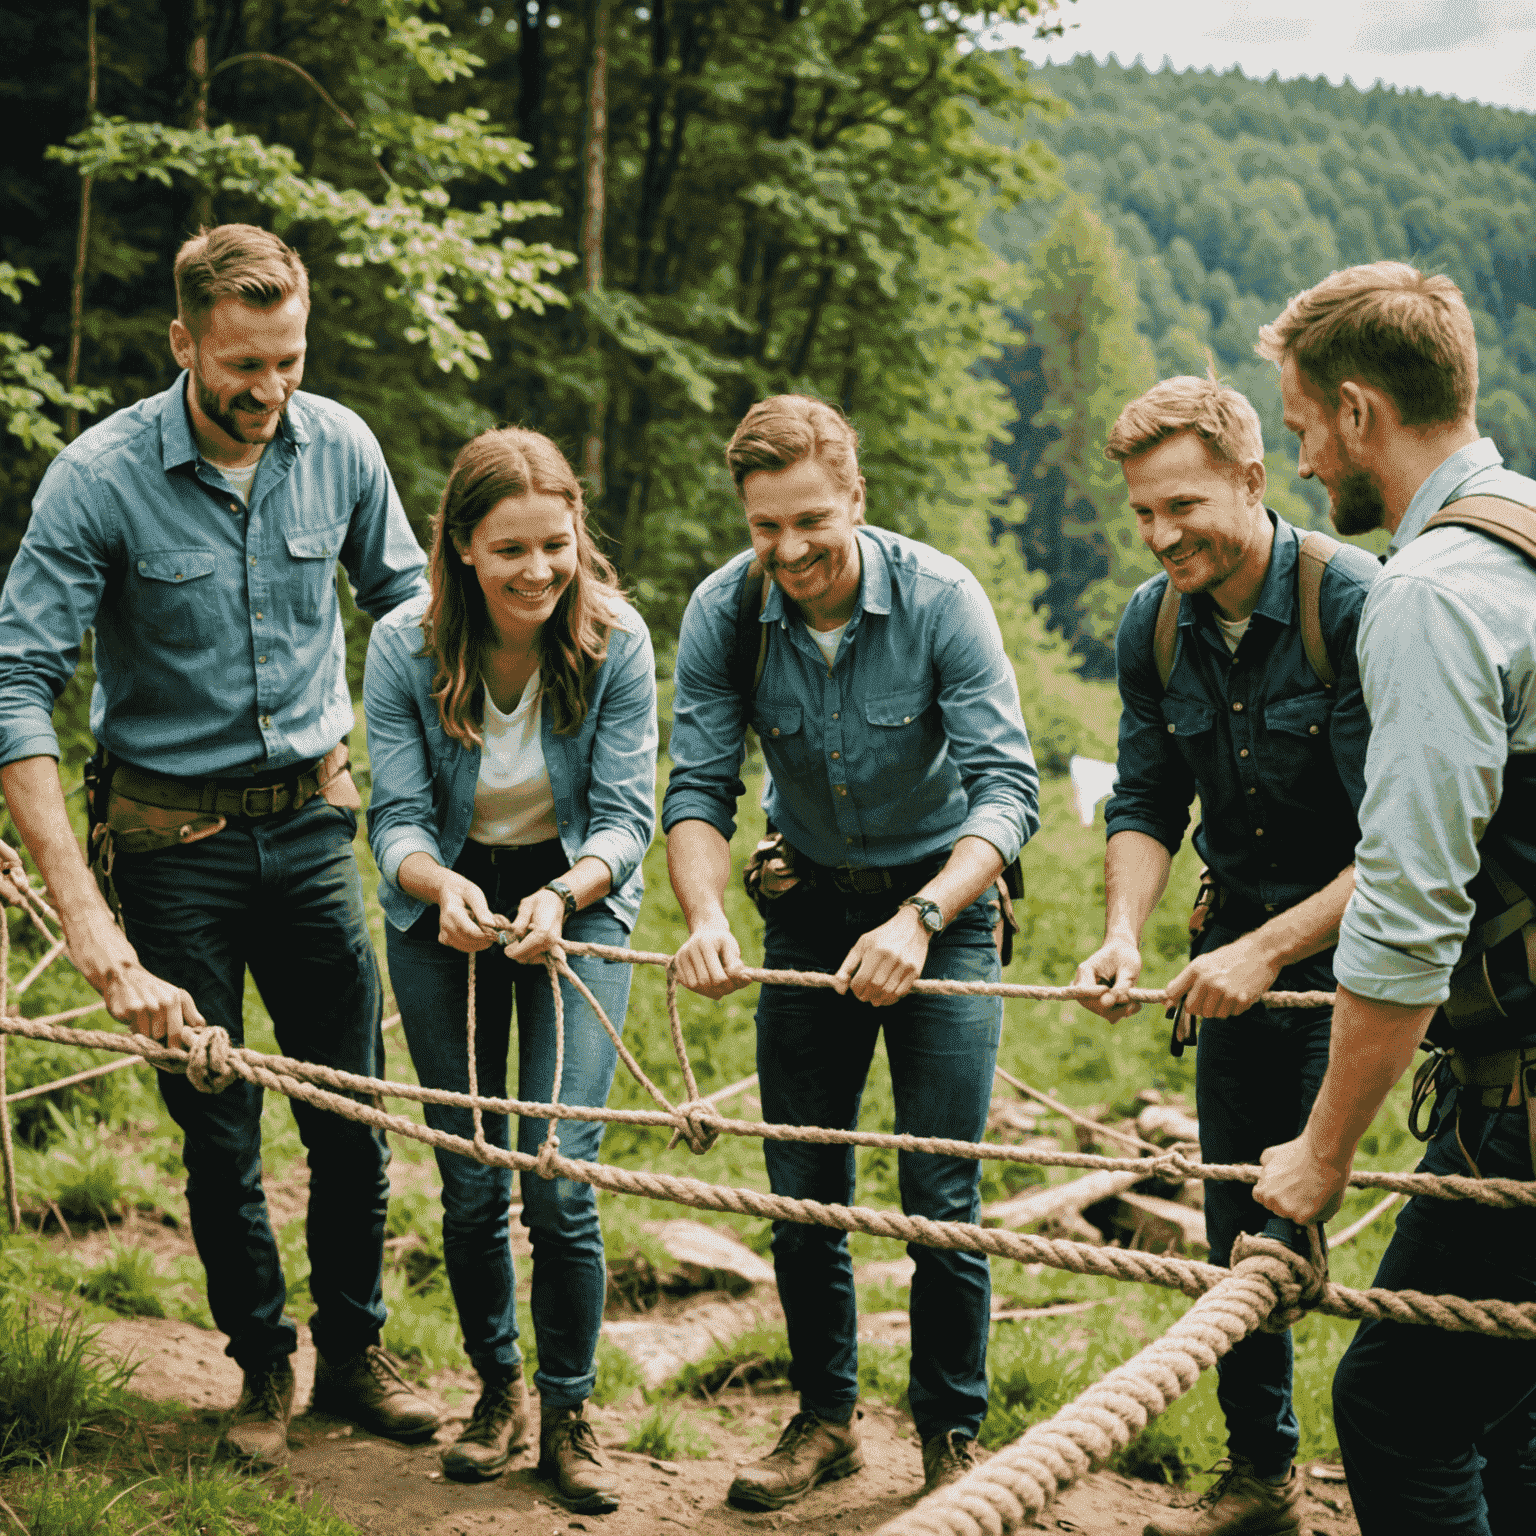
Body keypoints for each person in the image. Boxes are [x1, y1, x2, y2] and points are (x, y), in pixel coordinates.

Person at [0, 225, 436, 1467]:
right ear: (184, 343)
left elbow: (407, 613)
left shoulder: (341, 444)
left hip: (312, 832)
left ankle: (357, 1352)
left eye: (289, 358)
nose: (269, 389)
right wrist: (84, 914)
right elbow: (15, 680)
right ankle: (261, 1367)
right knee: (218, 1125)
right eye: (243, 364)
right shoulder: (99, 476)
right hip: (166, 847)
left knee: (350, 1111)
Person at [663, 395, 1039, 1508]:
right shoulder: (725, 612)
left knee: (939, 1191)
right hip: (808, 907)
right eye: (765, 527)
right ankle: (826, 1421)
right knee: (804, 1185)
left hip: (948, 910)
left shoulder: (942, 600)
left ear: (857, 498)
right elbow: (695, 788)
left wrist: (922, 919)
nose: (788, 551)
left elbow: (1010, 792)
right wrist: (704, 915)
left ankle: (951, 1439)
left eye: (811, 521)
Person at [1253, 261, 1536, 1536]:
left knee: (1399, 1411)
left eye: (1304, 424)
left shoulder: (1425, 595)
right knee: (1513, 1407)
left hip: (1520, 1101)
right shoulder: (1528, 527)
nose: (1304, 457)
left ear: (1360, 412)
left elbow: (1412, 908)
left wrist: (1323, 1154)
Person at [1073, 375, 1379, 1536]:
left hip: (1362, 968)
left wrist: (1269, 952)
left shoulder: (1354, 605)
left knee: (1289, 1225)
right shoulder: (1153, 625)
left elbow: (1403, 845)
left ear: (1254, 480)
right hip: (1224, 966)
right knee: (1228, 1234)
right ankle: (1265, 1482)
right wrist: (1120, 934)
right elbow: (1146, 799)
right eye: (1144, 512)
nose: (1161, 535)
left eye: (1184, 505)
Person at [364, 426, 656, 1512]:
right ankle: (499, 1392)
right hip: (444, 897)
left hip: (575, 900)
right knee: (472, 1172)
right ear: (461, 551)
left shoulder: (616, 640)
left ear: (579, 534)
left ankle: (570, 1412)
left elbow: (627, 819)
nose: (538, 571)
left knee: (559, 1172)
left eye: (556, 544)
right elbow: (392, 817)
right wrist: (439, 888)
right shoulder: (405, 644)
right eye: (510, 551)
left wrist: (566, 893)